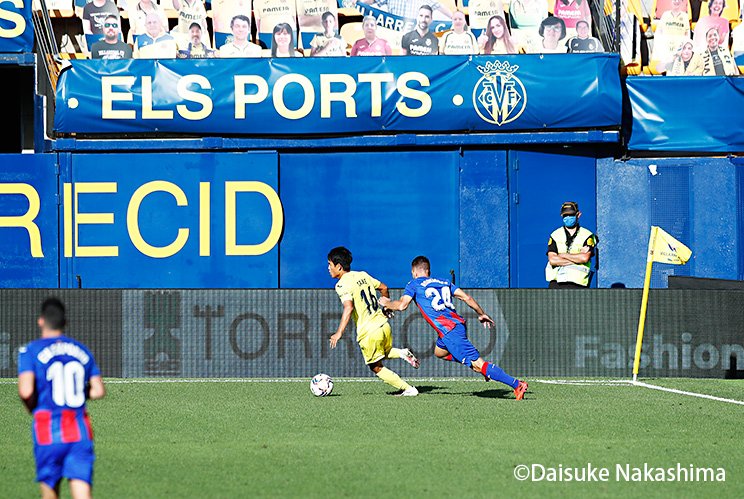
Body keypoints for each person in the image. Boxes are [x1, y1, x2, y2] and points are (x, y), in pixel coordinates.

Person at [379, 256, 529, 400]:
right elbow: (467, 298)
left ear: (414, 272)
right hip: (455, 327)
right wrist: (481, 313)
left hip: (449, 331)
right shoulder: (444, 282)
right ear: (428, 271)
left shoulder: (414, 284)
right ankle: (478, 365)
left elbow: (402, 305)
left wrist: (387, 303)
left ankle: (517, 384)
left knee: (479, 364)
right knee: (440, 353)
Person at [18, 297, 106, 499]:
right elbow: (99, 390)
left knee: (50, 493)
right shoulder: (81, 350)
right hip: (79, 431)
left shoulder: (30, 351)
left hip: (48, 430)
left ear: (41, 321)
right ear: (65, 322)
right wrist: (76, 393)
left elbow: (25, 391)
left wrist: (31, 405)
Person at [327, 247, 420, 396]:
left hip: (369, 332)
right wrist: (386, 307)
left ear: (339, 266)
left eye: (330, 264)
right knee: (384, 351)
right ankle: (403, 353)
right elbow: (384, 287)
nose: (328, 268)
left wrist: (339, 333)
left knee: (375, 366)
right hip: (383, 325)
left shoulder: (341, 284)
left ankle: (408, 389)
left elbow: (348, 307)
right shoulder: (362, 275)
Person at [545, 201, 598, 288]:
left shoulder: (587, 235)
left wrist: (562, 255)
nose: (568, 217)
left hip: (578, 284)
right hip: (556, 284)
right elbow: (553, 260)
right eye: (565, 215)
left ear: (578, 214)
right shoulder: (555, 235)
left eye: (571, 214)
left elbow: (584, 258)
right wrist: (576, 259)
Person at [652, 0, 690, 65]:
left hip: (678, 52)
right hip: (666, 52)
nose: (676, 1)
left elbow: (687, 36)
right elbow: (659, 33)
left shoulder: (685, 16)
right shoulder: (665, 15)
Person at [358, 0, 453, 21]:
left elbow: (439, 6)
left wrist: (453, 18)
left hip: (413, 34)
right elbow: (373, 0)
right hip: (393, 33)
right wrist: (358, 2)